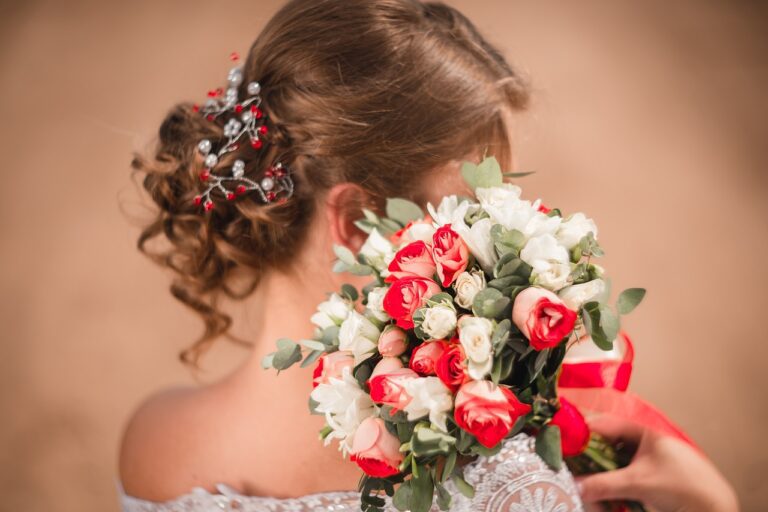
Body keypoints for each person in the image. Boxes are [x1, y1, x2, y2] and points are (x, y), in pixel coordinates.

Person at [118, 0, 737, 510]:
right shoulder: (524, 472)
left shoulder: (155, 444)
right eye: (473, 211)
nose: (496, 239)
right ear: (360, 227)